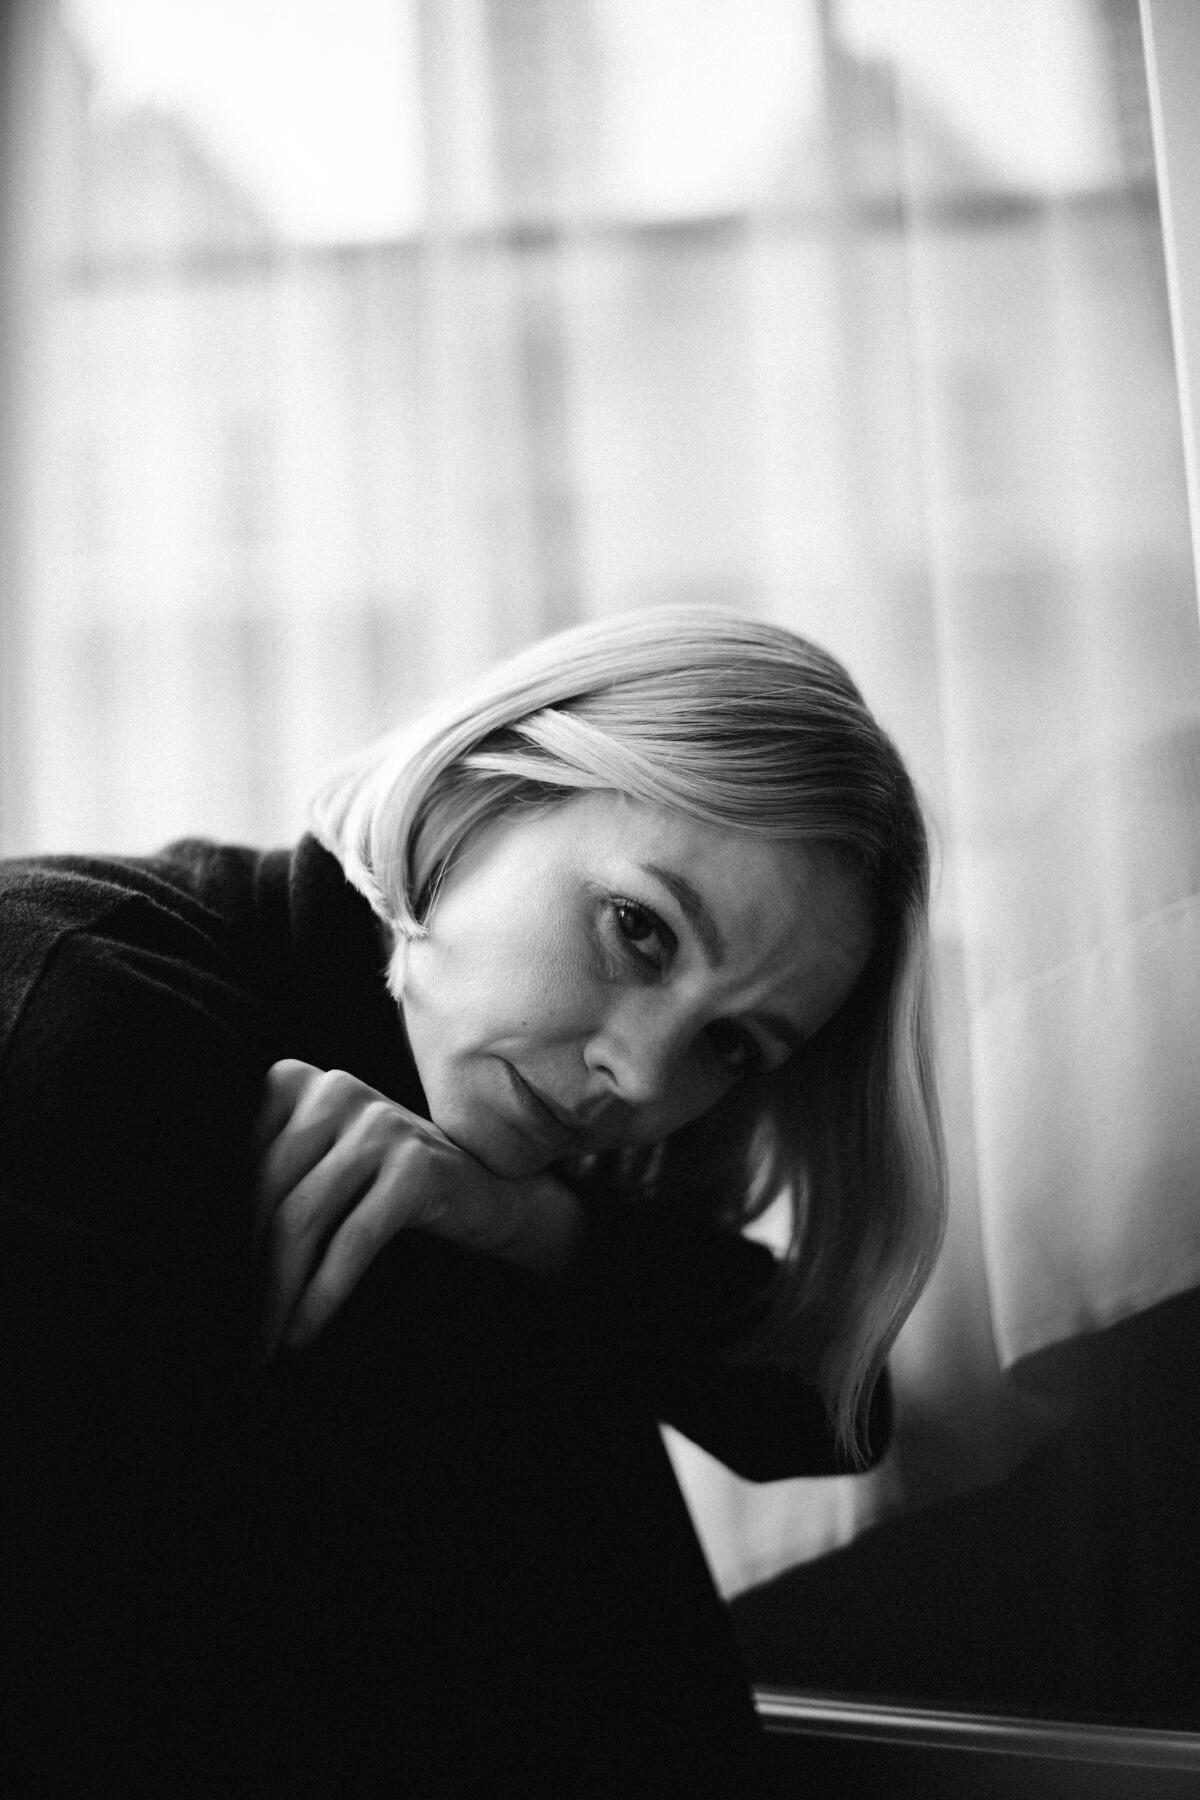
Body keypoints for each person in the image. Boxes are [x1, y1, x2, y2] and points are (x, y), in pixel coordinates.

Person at [0, 607, 945, 1797]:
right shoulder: (101, 1026)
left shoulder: (488, 1128)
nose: (647, 1078)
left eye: (733, 1046)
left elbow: (828, 1405)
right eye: (639, 930)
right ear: (477, 792)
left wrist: (533, 1228)